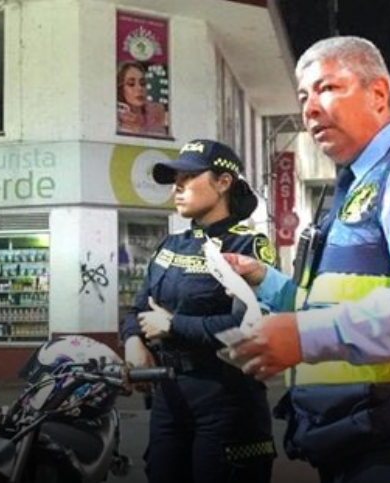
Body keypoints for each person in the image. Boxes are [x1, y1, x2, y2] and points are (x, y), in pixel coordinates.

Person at [224, 36, 390, 482]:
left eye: (328, 87)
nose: (310, 108)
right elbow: (334, 301)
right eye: (303, 96)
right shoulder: (354, 187)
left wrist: (306, 336)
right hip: (358, 439)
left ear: (377, 93)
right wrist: (267, 283)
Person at [119, 139, 277, 483]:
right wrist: (134, 343)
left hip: (226, 397)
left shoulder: (248, 247)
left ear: (223, 182)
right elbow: (137, 309)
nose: (177, 187)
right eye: (175, 178)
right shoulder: (170, 244)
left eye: (189, 177)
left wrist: (173, 325)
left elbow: (248, 327)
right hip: (168, 396)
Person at [116, 61, 169, 136]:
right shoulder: (116, 117)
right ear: (120, 89)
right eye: (131, 84)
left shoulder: (156, 112)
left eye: (143, 83)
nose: (139, 88)